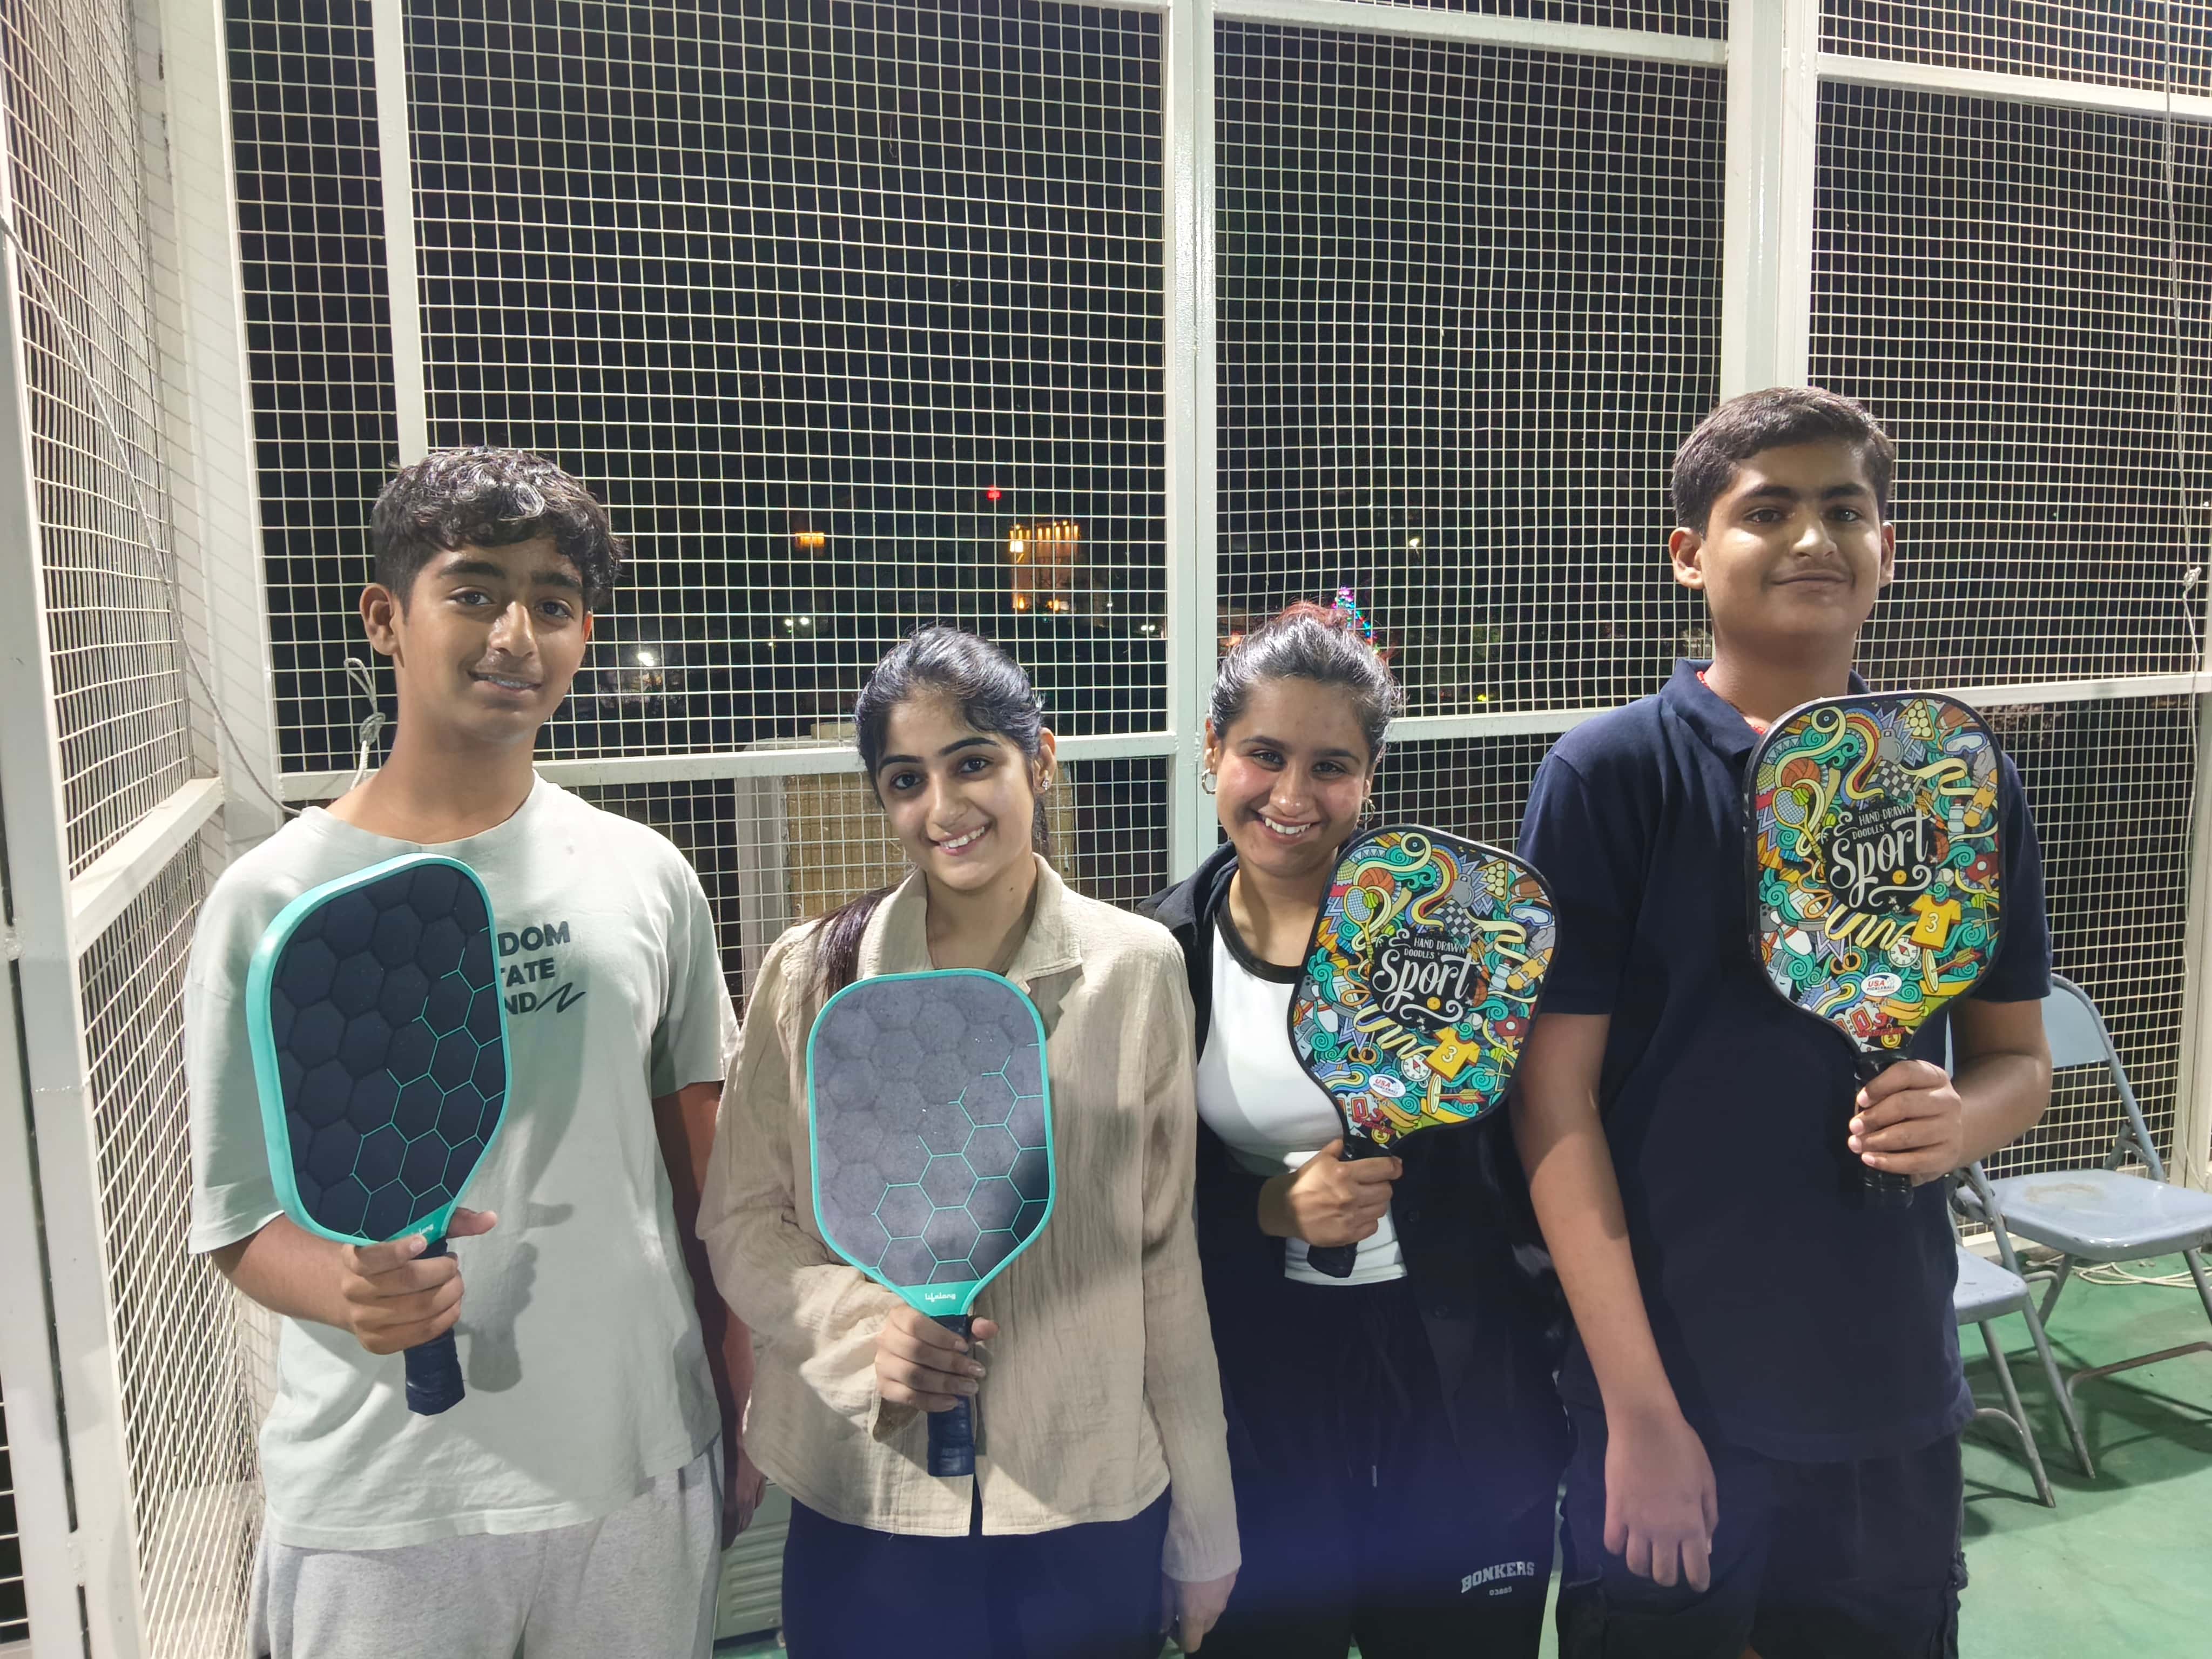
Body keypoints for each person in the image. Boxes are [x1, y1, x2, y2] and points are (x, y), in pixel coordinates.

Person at [185, 448, 758, 1658]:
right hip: (385, 1498)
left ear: (583, 636)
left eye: (552, 602)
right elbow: (239, 1219)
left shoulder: (645, 875)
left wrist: (739, 1383)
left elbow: (704, 1170)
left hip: (634, 1458)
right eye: (476, 590)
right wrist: (350, 1292)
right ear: (387, 618)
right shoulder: (268, 898)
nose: (515, 633)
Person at [1513, 387, 2055, 1658]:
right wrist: (1637, 1414)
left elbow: (2016, 1062)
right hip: (1673, 1397)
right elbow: (1554, 1106)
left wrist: (1958, 1118)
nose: (1813, 538)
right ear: (1690, 553)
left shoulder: (1956, 777)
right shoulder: (1608, 776)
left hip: (1886, 1397)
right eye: (1767, 510)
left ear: (1885, 549)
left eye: (1843, 510)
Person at [699, 625, 1240, 1659]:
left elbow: (1164, 1260)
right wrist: (868, 1335)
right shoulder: (811, 975)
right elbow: (743, 1222)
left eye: (973, 763)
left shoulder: (1136, 971)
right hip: (871, 1509)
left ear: (1040, 760)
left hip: (1087, 1505)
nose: (943, 810)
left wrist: (1204, 1523)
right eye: (906, 780)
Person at [1142, 597, 1568, 1659]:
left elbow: (1538, 1149)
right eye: (1262, 755)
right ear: (1212, 753)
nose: (1292, 797)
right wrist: (1264, 1206)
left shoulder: (1455, 931)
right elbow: (1130, 1200)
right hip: (1259, 1393)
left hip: (1456, 1387)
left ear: (1368, 776)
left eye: (1329, 766)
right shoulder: (1155, 959)